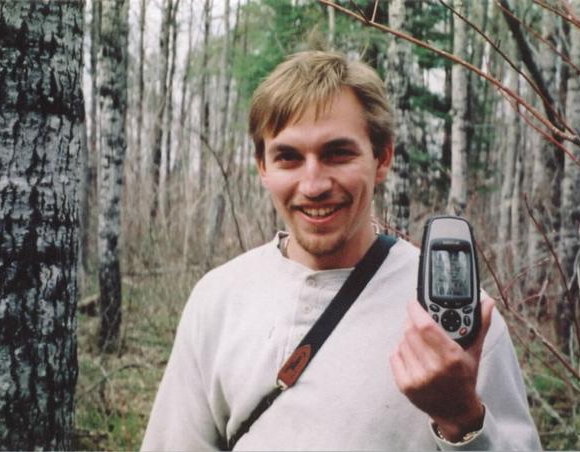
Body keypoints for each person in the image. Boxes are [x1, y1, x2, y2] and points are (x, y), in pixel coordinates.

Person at [141, 51, 541, 450]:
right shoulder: (219, 299)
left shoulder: (460, 324)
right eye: (288, 157)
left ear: (381, 158)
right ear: (262, 167)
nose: (313, 184)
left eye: (338, 153)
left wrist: (462, 419)